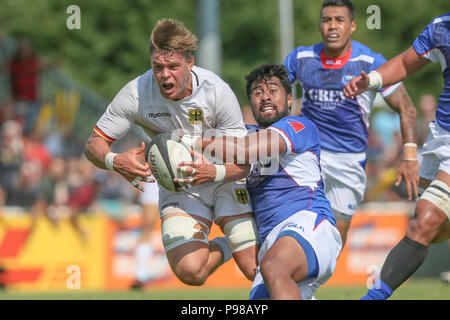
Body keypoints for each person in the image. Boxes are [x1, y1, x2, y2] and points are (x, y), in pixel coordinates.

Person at [84, 18, 258, 286]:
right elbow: (93, 143)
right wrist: (114, 160)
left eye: (173, 66)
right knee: (191, 272)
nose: (165, 74)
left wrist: (213, 171)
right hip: (181, 186)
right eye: (158, 67)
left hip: (225, 176)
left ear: (190, 63)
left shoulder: (216, 91)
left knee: (253, 267)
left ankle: (246, 243)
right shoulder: (136, 94)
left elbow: (245, 161)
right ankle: (228, 244)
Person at [176, 64, 342, 300]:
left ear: (289, 100)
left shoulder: (298, 126)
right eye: (257, 92)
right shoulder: (243, 135)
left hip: (309, 225)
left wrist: (189, 141)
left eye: (273, 90)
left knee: (274, 267)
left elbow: (245, 151)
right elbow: (212, 140)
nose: (265, 96)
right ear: (250, 103)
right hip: (271, 243)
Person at [283, 0, 420, 246]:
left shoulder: (370, 63)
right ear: (320, 25)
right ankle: (286, 277)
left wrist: (409, 156)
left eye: (339, 20)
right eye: (326, 20)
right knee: (296, 223)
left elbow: (407, 107)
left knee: (334, 240)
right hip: (309, 156)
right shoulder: (301, 58)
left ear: (352, 26)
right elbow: (274, 93)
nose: (332, 26)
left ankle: (304, 278)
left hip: (350, 162)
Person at [344, 12, 450, 300]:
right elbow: (405, 62)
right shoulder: (441, 28)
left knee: (425, 221)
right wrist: (373, 80)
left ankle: (372, 298)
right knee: (433, 229)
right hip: (441, 135)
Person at [131, 178, 160, 289]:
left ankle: (142, 276)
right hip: (153, 180)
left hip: (177, 181)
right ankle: (141, 276)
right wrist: (135, 179)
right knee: (147, 229)